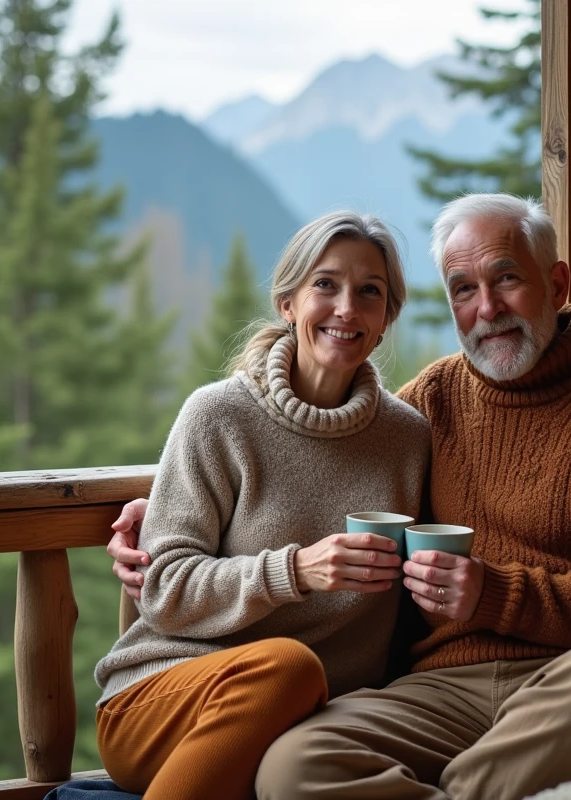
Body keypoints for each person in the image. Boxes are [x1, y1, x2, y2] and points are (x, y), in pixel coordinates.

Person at [111, 193, 571, 798]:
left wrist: (494, 594)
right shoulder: (429, 408)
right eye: (463, 289)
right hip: (446, 693)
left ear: (557, 283)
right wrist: (155, 506)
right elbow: (309, 443)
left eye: (506, 280)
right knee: (294, 765)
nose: (488, 308)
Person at [93, 210, 430, 800]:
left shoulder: (409, 438)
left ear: (385, 319)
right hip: (165, 699)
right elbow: (164, 589)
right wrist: (295, 570)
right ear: (287, 302)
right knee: (288, 666)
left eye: (368, 292)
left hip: (314, 729)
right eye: (325, 284)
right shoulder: (218, 416)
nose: (346, 308)